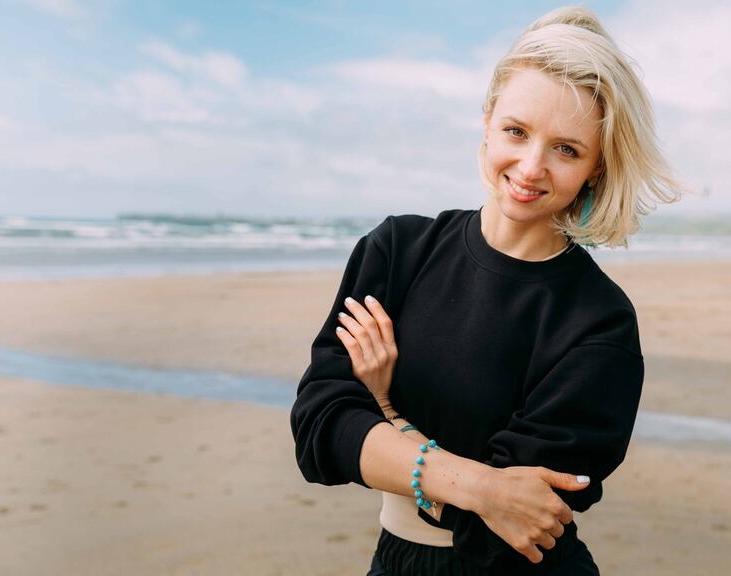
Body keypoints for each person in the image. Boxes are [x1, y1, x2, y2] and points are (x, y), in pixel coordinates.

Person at [290, 6, 678, 575]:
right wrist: (479, 483)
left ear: (596, 168)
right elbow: (318, 432)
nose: (530, 166)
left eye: (566, 149)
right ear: (488, 118)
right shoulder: (398, 250)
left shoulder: (600, 323)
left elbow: (508, 522)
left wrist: (384, 409)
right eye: (516, 132)